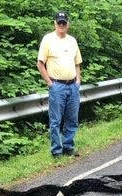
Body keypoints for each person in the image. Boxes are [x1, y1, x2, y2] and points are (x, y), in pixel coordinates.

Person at [37, 11, 83, 158]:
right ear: (55, 23)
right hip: (57, 85)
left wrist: (78, 81)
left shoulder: (72, 41)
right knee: (56, 120)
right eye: (59, 22)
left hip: (72, 85)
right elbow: (40, 63)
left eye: (64, 22)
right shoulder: (48, 39)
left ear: (68, 24)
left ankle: (68, 147)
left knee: (72, 118)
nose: (61, 25)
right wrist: (49, 83)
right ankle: (56, 150)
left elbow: (77, 63)